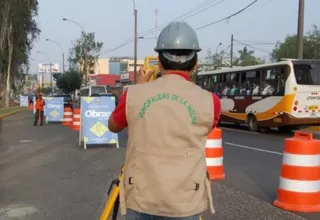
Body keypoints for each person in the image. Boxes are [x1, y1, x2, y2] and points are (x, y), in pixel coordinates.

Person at [108, 21, 221, 220]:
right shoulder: (211, 102)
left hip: (141, 198)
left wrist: (139, 87)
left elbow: (113, 126)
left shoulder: (133, 95)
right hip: (185, 201)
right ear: (195, 64)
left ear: (159, 62)